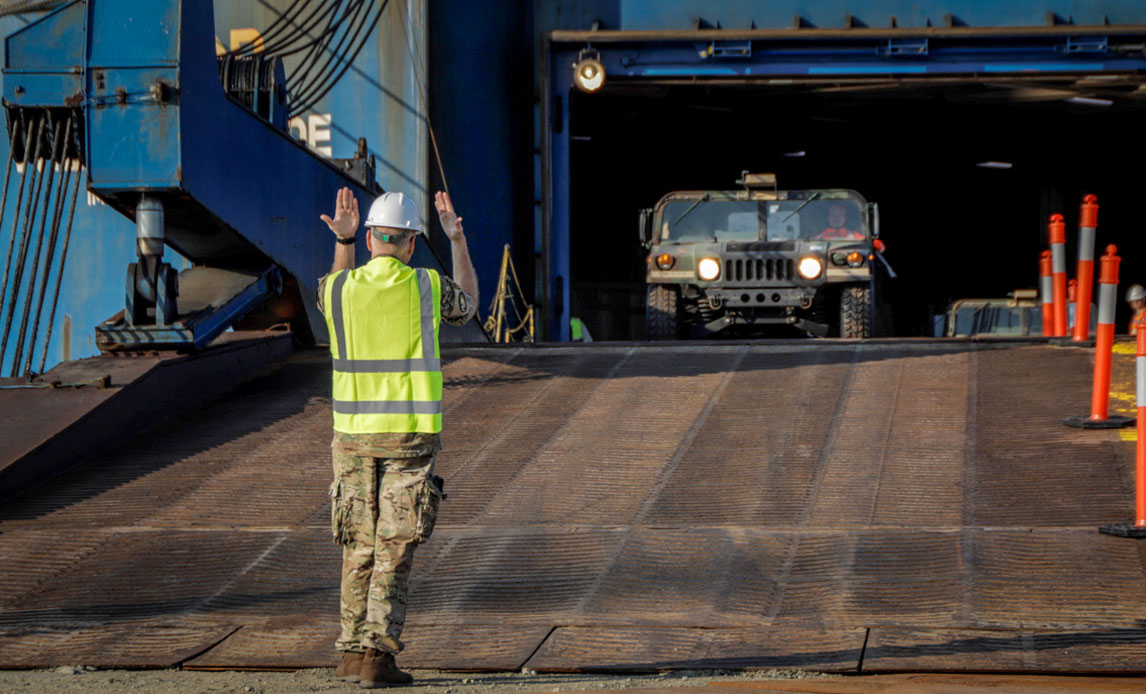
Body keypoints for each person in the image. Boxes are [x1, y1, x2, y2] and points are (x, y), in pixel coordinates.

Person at [317, 187, 477, 688]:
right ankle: (378, 657)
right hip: (408, 437)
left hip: (352, 438)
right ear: (410, 244)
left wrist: (341, 241)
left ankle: (348, 653)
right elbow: (469, 305)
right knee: (394, 545)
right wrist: (457, 239)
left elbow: (338, 278)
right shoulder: (427, 287)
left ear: (369, 238)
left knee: (357, 543)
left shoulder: (336, 290)